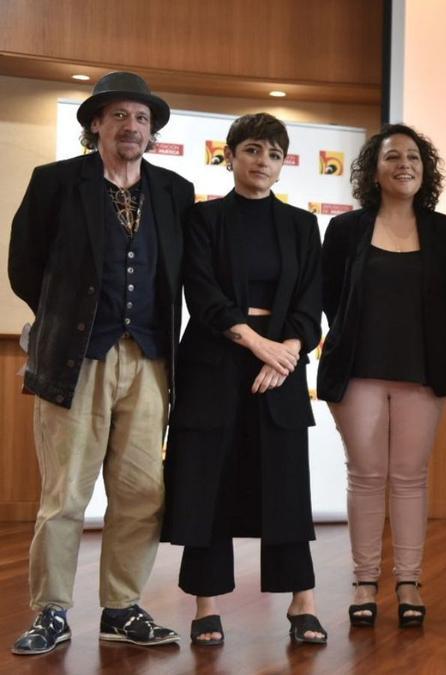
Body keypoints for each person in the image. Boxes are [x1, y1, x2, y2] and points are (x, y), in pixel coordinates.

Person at [8, 71, 193, 655]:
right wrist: (60, 320)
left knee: (142, 492)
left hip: (151, 360)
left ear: (151, 130)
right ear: (95, 124)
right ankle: (52, 611)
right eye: (118, 116)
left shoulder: (174, 191)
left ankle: (121, 608)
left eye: (141, 119)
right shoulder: (57, 182)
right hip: (76, 358)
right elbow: (24, 263)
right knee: (65, 494)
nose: (131, 127)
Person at [160, 113, 326, 646]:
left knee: (285, 484)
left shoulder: (302, 225)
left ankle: (303, 603)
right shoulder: (203, 220)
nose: (263, 162)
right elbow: (202, 294)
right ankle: (206, 608)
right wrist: (260, 347)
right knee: (206, 484)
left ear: (282, 166)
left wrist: (288, 353)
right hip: (216, 364)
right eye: (253, 150)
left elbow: (310, 300)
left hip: (279, 366)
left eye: (275, 154)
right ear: (230, 155)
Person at [318, 124, 446, 628]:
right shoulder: (345, 229)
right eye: (392, 157)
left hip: (422, 370)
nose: (404, 164)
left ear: (425, 171)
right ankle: (364, 580)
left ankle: (408, 581)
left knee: (408, 478)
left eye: (414, 158)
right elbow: (329, 297)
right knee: (365, 477)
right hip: (358, 371)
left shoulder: (445, 231)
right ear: (373, 170)